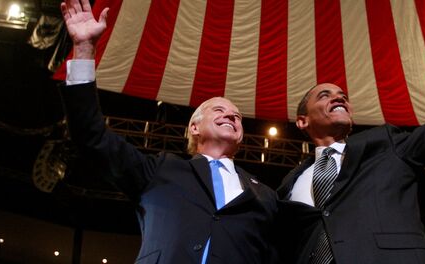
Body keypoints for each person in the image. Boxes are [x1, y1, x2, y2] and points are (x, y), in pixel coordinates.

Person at [276, 0, 425, 263]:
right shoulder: (288, 185)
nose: (339, 98)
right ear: (302, 121)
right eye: (324, 95)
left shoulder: (387, 145)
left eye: (343, 96)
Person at [59, 0, 278, 263]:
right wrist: (84, 49)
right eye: (218, 110)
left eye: (237, 116)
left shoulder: (267, 195)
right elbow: (91, 136)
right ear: (194, 127)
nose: (231, 115)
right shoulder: (160, 170)